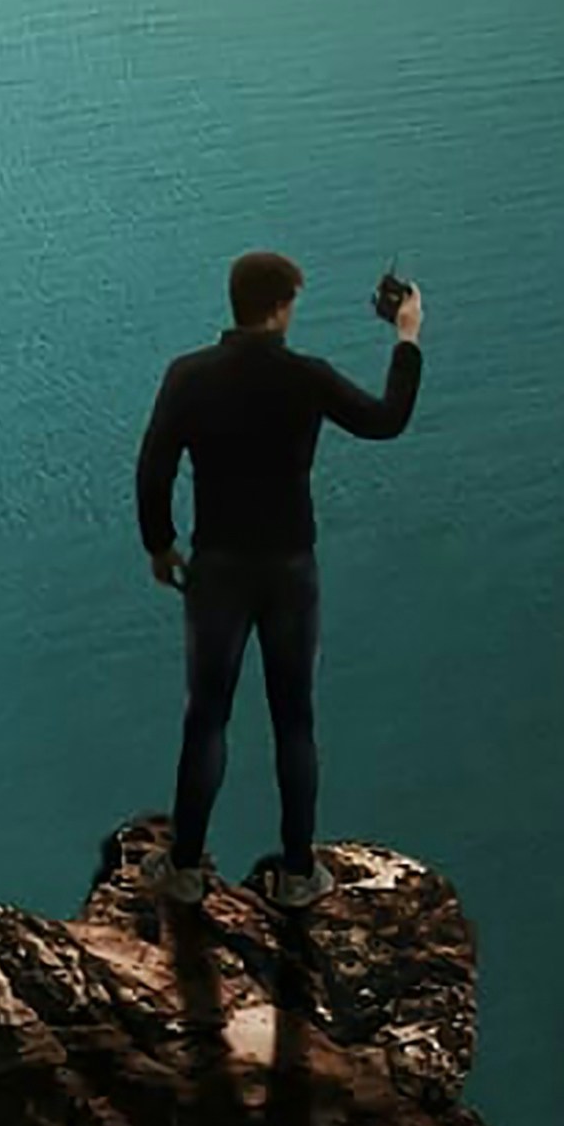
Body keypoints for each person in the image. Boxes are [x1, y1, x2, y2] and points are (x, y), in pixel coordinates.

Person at [133, 247, 424, 911]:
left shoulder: (188, 375)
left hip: (217, 567)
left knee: (206, 716)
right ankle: (297, 873)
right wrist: (406, 337)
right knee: (293, 718)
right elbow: (387, 420)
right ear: (280, 305)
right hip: (290, 566)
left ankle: (182, 868)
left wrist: (159, 543)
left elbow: (153, 465)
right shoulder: (307, 378)